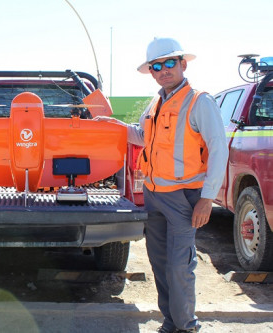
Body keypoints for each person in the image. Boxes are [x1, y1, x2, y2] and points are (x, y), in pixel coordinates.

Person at [96, 37, 228, 332]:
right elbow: (142, 137)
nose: (163, 70)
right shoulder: (156, 103)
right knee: (159, 262)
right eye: (157, 66)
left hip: (184, 198)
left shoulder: (199, 101)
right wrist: (112, 125)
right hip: (155, 196)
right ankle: (170, 322)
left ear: (183, 64)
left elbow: (219, 149)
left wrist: (207, 199)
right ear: (152, 71)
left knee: (180, 266)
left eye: (170, 63)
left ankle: (186, 325)